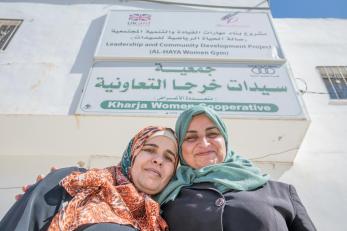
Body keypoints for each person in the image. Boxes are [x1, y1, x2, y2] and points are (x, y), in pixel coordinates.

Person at [156, 106, 316, 231]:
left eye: (212, 134)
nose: (204, 144)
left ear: (224, 139)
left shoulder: (281, 192)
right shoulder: (165, 198)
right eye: (191, 137)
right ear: (180, 149)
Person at [0, 126, 179, 231]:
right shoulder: (76, 182)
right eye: (150, 149)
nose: (158, 160)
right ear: (132, 155)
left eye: (169, 157)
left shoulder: (163, 220)